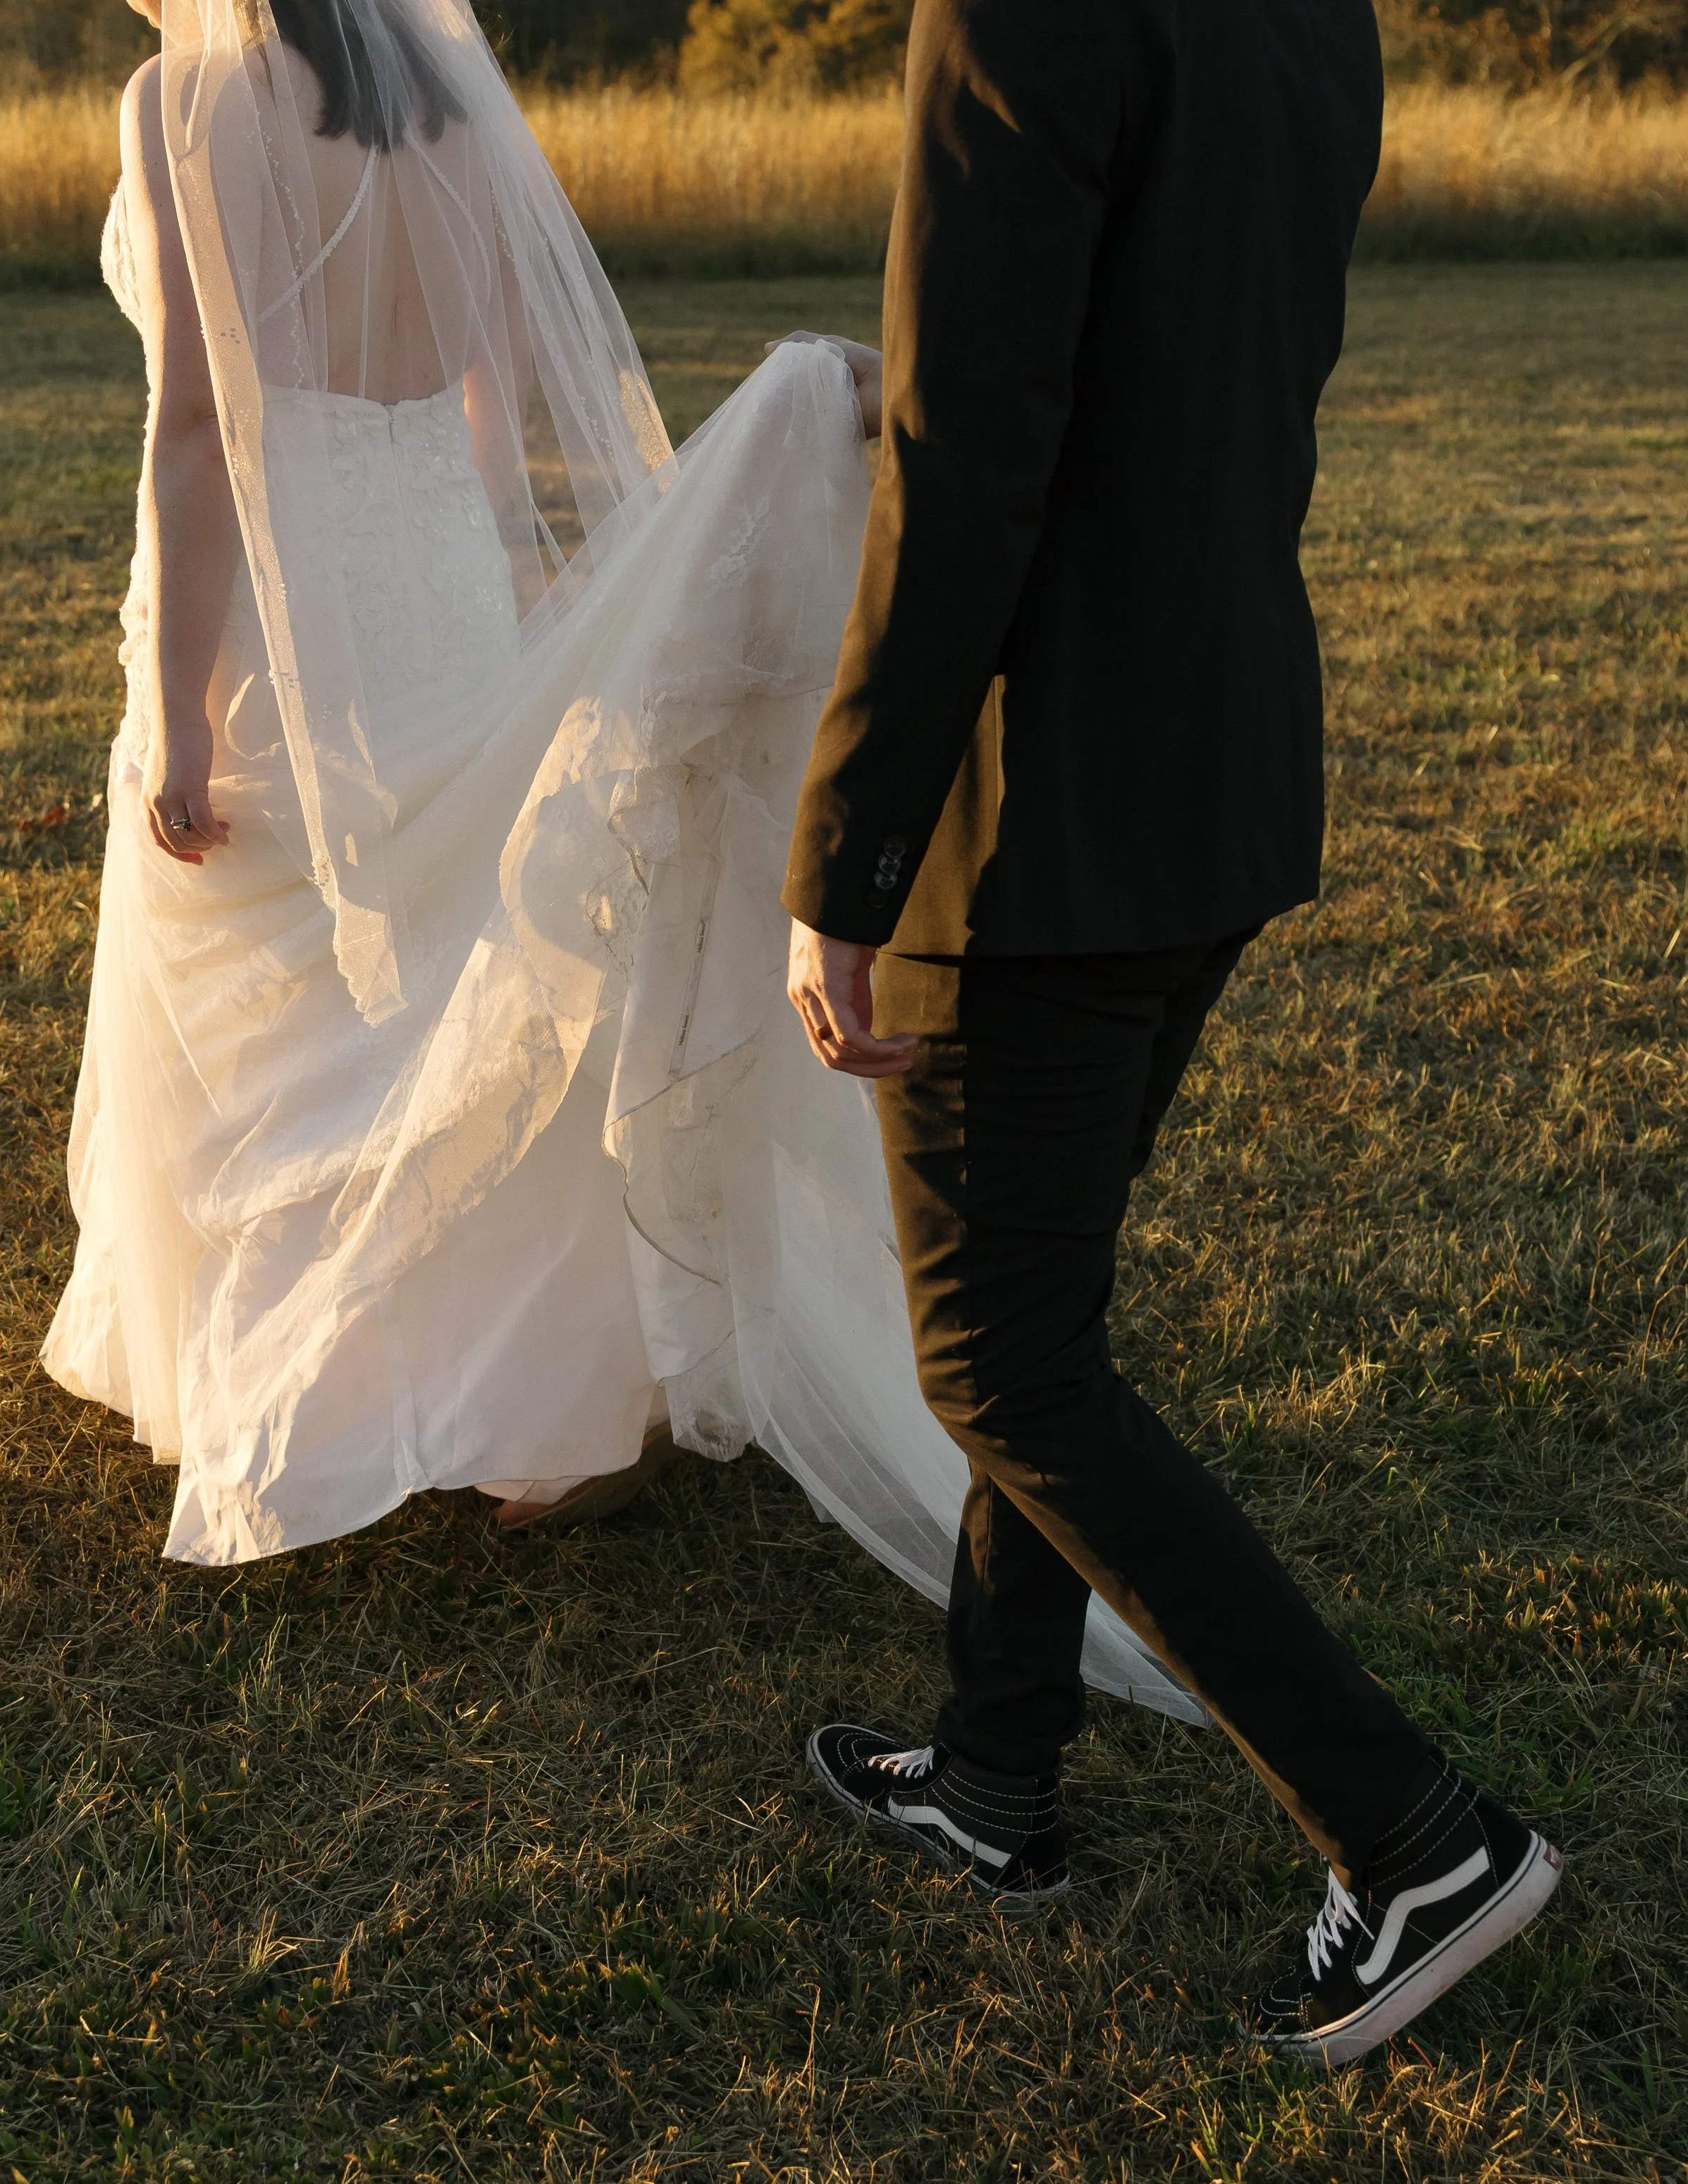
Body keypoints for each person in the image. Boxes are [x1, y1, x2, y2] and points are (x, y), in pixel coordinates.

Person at [42, 0, 1207, 1725]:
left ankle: (328, 1376)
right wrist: (505, 580)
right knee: (472, 963)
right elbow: (496, 380)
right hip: (436, 569)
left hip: (291, 607)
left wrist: (186, 712)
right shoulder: (452, 95)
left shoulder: (182, 100)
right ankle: (541, 1398)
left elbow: (201, 430)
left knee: (293, 969)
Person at [784, 0, 1563, 2066]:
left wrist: (847, 859)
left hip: (1032, 821)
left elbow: (964, 456)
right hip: (1216, 769)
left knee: (998, 1355)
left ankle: (1411, 1842)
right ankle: (994, 1774)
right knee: (1038, 1313)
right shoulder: (1314, 14)